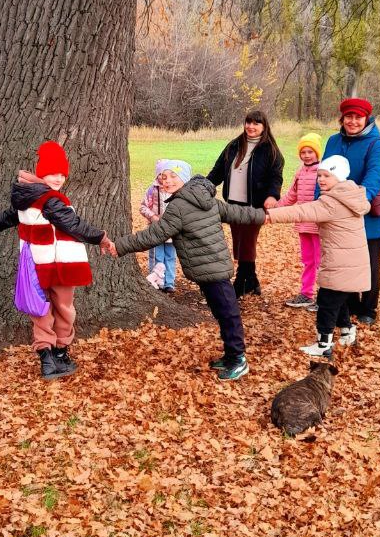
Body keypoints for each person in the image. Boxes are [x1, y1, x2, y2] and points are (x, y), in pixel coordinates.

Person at [105, 162, 266, 381]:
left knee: (228, 313)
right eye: (163, 177)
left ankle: (238, 359)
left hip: (211, 269)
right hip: (212, 267)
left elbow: (154, 235)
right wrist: (262, 215)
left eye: (172, 176)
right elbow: (235, 212)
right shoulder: (205, 199)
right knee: (223, 312)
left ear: (185, 178)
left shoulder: (179, 207)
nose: (167, 181)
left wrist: (120, 246)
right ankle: (231, 355)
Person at [0, 140, 108, 378]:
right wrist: (101, 237)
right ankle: (59, 354)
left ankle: (47, 358)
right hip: (59, 265)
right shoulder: (50, 200)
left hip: (34, 264)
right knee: (64, 308)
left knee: (41, 308)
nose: (58, 178)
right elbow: (73, 225)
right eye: (52, 173)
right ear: (41, 172)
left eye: (62, 174)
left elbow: (5, 218)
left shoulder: (26, 197)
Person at [266, 154, 370, 359]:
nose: (321, 179)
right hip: (350, 263)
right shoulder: (350, 195)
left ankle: (323, 344)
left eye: (327, 176)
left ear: (339, 177)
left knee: (327, 303)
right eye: (320, 175)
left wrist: (270, 216)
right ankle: (348, 332)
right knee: (338, 301)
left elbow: (303, 211)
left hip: (340, 264)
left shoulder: (332, 202)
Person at [321, 98, 380, 325]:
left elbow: (375, 176)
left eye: (358, 117)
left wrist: (359, 201)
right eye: (348, 117)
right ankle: (349, 304)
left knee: (369, 262)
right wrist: (318, 204)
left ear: (366, 118)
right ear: (342, 118)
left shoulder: (376, 144)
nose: (352, 121)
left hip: (366, 215)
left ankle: (368, 309)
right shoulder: (333, 141)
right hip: (336, 215)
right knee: (343, 260)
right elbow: (322, 174)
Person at [207, 109, 284, 297]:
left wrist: (272, 195)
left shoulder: (270, 150)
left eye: (256, 123)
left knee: (247, 241)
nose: (251, 126)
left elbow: (276, 177)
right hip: (233, 203)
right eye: (248, 122)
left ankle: (241, 281)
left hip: (254, 205)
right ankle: (252, 280)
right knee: (239, 241)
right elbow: (218, 170)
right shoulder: (234, 145)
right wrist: (205, 187)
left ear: (264, 126)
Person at [267, 132, 322, 310]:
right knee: (308, 260)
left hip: (319, 224)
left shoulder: (322, 171)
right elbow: (292, 195)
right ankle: (306, 294)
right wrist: (276, 207)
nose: (306, 155)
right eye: (303, 152)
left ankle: (324, 296)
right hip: (303, 223)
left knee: (322, 261)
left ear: (318, 153)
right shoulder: (301, 171)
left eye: (310, 152)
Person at [139, 158, 183, 293]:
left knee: (170, 256)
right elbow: (143, 207)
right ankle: (156, 281)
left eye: (166, 175)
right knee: (156, 256)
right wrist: (153, 217)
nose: (163, 179)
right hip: (156, 229)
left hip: (172, 231)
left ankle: (169, 282)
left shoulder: (176, 190)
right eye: (160, 175)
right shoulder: (152, 190)